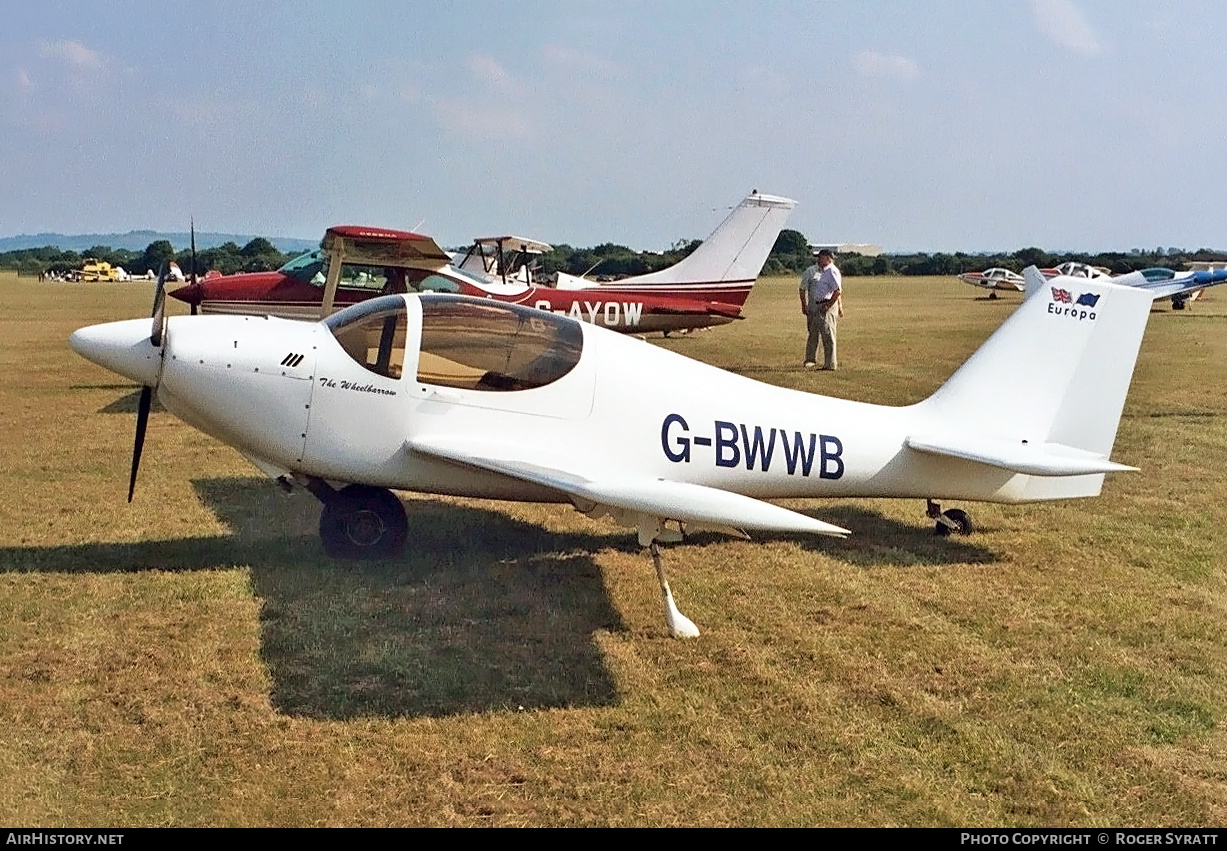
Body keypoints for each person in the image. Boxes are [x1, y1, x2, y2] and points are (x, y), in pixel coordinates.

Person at [799, 248, 843, 370]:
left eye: (821, 257)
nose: (818, 259)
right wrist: (804, 305)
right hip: (815, 305)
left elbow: (837, 290)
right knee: (813, 333)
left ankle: (830, 364)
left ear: (828, 258)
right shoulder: (813, 271)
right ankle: (811, 359)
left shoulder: (831, 271)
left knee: (828, 335)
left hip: (825, 306)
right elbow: (803, 289)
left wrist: (832, 305)